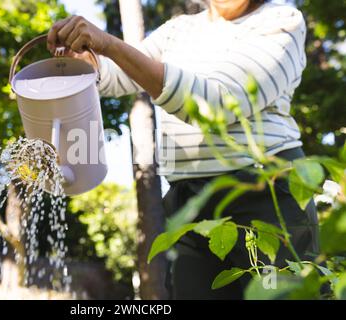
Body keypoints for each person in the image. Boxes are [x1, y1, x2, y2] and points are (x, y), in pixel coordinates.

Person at [47, 0, 319, 299]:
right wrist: (87, 61)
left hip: (264, 193)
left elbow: (218, 103)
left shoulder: (281, 21)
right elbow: (120, 75)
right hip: (190, 201)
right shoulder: (178, 30)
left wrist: (110, 45)